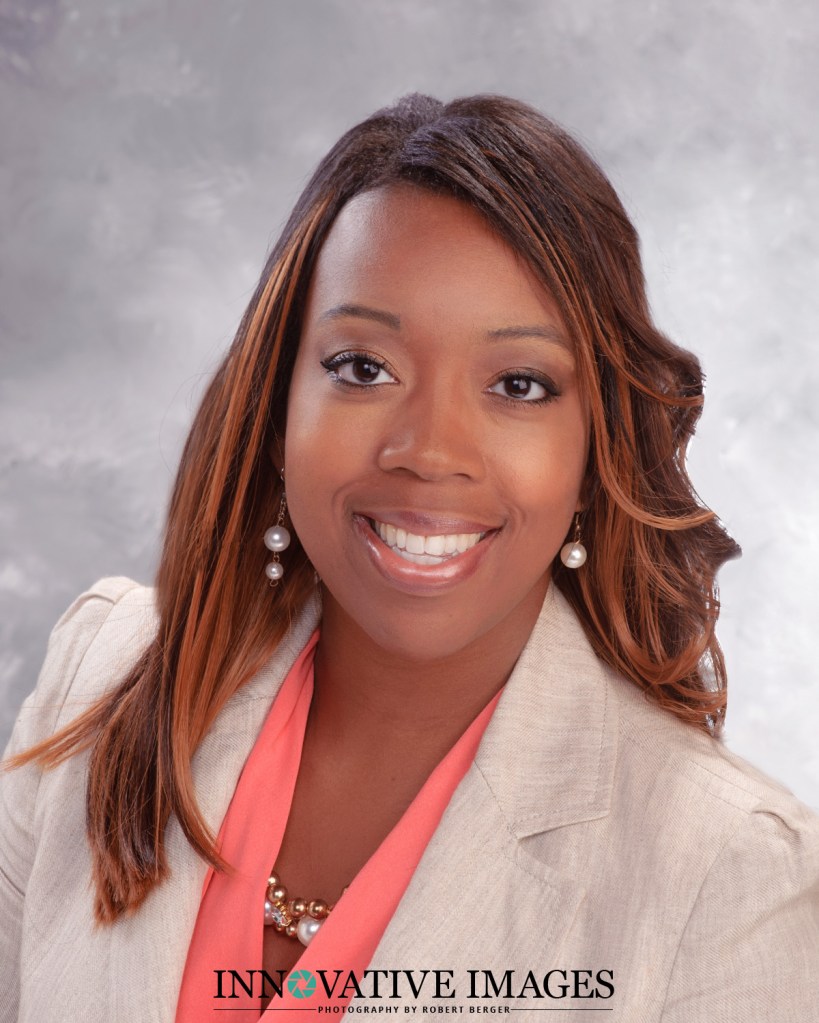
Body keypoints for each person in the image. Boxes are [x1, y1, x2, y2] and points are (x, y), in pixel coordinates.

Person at [1, 93, 817, 1023]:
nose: (429, 449)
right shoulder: (102, 677)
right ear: (276, 408)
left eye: (518, 385)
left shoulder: (726, 874)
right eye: (362, 367)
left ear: (599, 454)